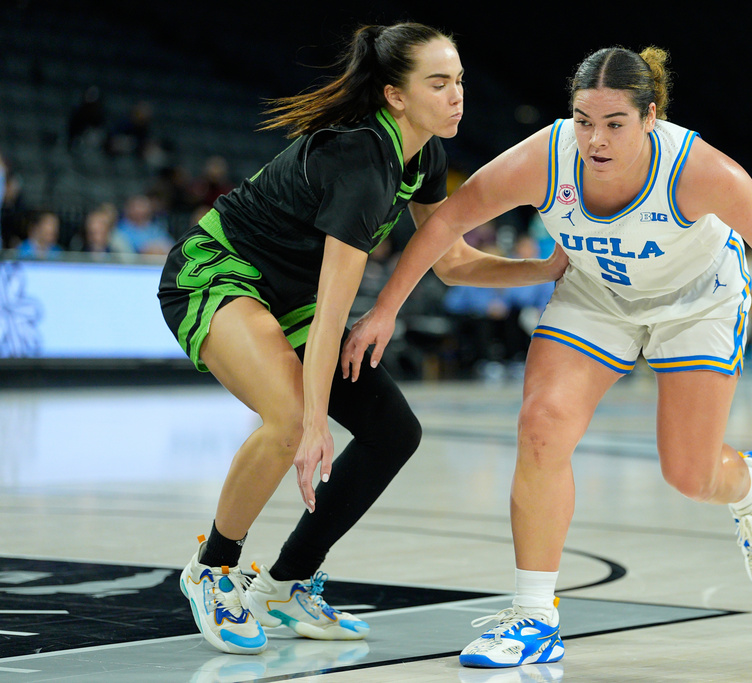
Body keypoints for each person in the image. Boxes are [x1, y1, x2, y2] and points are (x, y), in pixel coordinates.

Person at [341, 45, 752, 669]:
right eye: (582, 120)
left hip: (697, 304)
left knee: (689, 473)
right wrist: (386, 310)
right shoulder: (547, 157)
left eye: (614, 123)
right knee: (541, 426)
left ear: (651, 117)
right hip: (597, 296)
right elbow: (443, 224)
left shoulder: (701, 172)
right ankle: (535, 614)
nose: (594, 139)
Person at [157, 22, 567, 656]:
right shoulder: (359, 159)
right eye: (438, 82)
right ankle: (213, 567)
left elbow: (452, 262)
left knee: (394, 432)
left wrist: (542, 270)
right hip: (218, 272)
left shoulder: (424, 152)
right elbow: (333, 314)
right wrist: (316, 420)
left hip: (289, 299)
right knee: (290, 420)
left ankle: (288, 579)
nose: (457, 95)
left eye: (459, 80)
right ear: (395, 95)